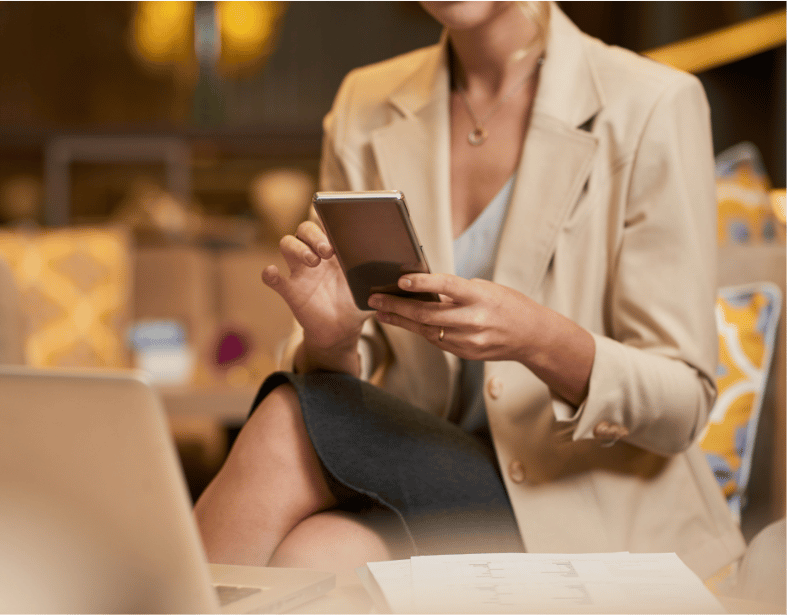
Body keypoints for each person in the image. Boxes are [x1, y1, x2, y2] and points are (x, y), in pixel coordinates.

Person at [194, 0, 746, 580]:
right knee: (319, 553)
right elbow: (355, 372)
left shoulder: (654, 103)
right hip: (431, 481)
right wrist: (330, 340)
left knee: (289, 419)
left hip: (586, 505)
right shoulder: (364, 103)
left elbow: (682, 403)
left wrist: (537, 337)